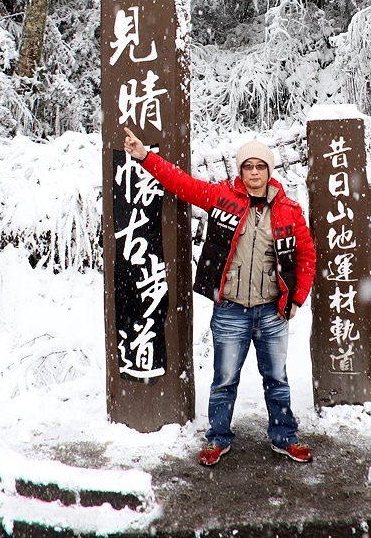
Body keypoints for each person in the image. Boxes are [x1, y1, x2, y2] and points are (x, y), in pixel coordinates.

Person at [123, 126, 316, 466]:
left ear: (269, 171)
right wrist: (144, 157)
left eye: (260, 166)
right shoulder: (222, 197)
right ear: (240, 171)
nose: (254, 172)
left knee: (277, 378)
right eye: (248, 166)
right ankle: (218, 438)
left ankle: (284, 437)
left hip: (273, 311)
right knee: (224, 379)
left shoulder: (289, 210)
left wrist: (297, 298)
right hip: (231, 309)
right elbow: (182, 184)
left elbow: (307, 256)